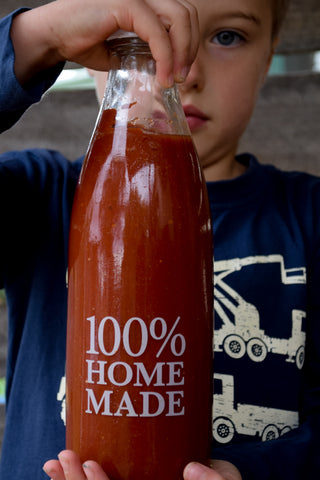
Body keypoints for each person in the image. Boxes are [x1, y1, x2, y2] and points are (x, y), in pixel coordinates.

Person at [0, 0, 319, 479]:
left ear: (270, 51)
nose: (180, 71)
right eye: (137, 34)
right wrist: (32, 40)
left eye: (227, 36)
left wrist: (254, 472)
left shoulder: (308, 215)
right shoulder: (41, 197)